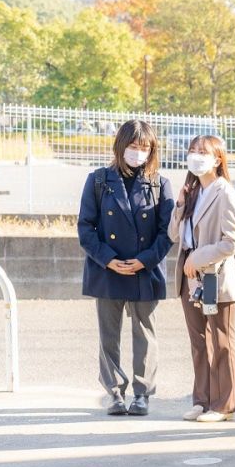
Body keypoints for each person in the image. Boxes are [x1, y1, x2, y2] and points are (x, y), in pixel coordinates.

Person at [76, 120, 175, 416]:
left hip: (145, 268)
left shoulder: (160, 183)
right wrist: (108, 259)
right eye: (133, 147)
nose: (138, 153)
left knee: (145, 333)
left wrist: (144, 260)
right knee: (109, 334)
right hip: (107, 269)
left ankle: (142, 393)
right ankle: (115, 392)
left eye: (144, 148)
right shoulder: (98, 180)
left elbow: (167, 231)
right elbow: (85, 227)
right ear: (121, 147)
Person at [168, 135, 235, 422]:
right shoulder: (191, 192)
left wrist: (199, 258)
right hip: (189, 279)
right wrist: (179, 205)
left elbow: (234, 241)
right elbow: (173, 235)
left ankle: (224, 405)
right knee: (199, 341)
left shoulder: (225, 193)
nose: (196, 156)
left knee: (221, 341)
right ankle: (202, 400)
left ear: (217, 159)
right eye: (192, 151)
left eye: (203, 152)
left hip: (216, 279)